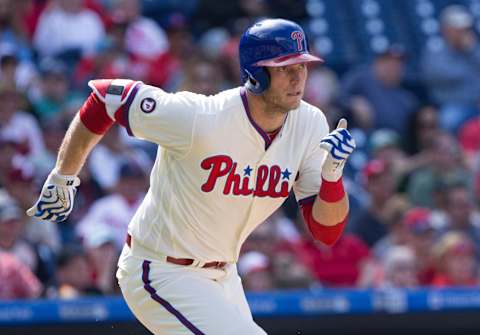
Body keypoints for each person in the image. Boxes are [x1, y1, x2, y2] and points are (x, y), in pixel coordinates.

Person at [27, 19, 355, 335]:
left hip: (223, 276)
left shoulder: (310, 123)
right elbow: (106, 98)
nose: (298, 78)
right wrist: (63, 175)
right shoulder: (201, 116)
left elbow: (326, 231)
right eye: (285, 68)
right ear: (256, 73)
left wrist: (332, 176)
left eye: (302, 67)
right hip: (160, 269)